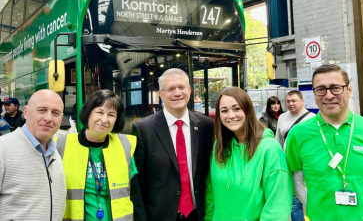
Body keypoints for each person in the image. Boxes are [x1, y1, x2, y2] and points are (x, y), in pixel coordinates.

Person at [285, 64, 363, 220]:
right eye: (320, 89)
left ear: (349, 90)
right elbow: (295, 180)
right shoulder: (298, 134)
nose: (328, 95)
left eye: (335, 88)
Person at [132, 68, 214, 221]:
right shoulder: (143, 129)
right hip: (160, 216)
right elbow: (137, 184)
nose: (177, 93)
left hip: (198, 215)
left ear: (189, 90)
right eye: (170, 89)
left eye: (181, 87)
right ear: (161, 94)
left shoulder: (206, 126)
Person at [55, 90, 145, 220]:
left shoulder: (125, 146)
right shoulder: (61, 145)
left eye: (111, 115)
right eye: (99, 112)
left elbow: (135, 197)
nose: (104, 120)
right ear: (88, 113)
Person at [204, 87, 293, 220]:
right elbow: (211, 191)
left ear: (248, 109)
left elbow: (277, 206)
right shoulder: (219, 145)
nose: (231, 115)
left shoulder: (269, 149)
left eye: (236, 108)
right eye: (224, 110)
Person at [0, 90, 66, 220]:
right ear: (25, 112)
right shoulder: (3, 149)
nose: (48, 118)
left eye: (55, 113)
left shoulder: (55, 154)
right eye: (41, 110)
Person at [275, 90, 315, 221]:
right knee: (293, 198)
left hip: (305, 163)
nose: (291, 104)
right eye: (288, 101)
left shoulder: (312, 118)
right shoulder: (282, 117)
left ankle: (316, 213)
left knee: (301, 193)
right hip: (287, 162)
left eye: (294, 101)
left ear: (302, 101)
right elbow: (278, 140)